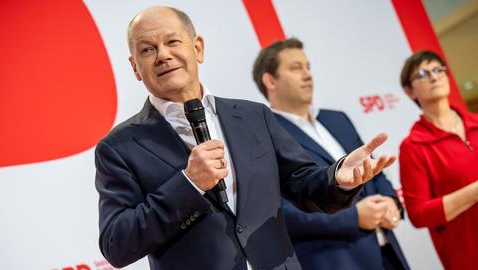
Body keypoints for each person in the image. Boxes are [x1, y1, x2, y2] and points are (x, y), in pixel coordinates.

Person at [95, 6, 395, 270]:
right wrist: (188, 184)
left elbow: (303, 184)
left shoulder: (253, 116)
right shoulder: (120, 147)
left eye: (172, 41)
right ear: (135, 66)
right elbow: (116, 244)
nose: (163, 55)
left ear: (197, 48)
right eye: (147, 49)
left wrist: (339, 178)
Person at [252, 38, 409, 270]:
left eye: (308, 67)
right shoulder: (261, 133)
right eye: (296, 68)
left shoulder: (338, 119)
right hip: (334, 259)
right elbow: (278, 210)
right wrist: (354, 217)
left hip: (387, 252)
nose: (308, 75)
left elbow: (374, 172)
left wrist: (391, 203)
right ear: (270, 80)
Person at [399, 50, 478, 270]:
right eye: (423, 74)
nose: (434, 77)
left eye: (438, 70)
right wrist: (474, 192)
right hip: (467, 256)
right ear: (409, 91)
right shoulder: (413, 146)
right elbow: (418, 214)